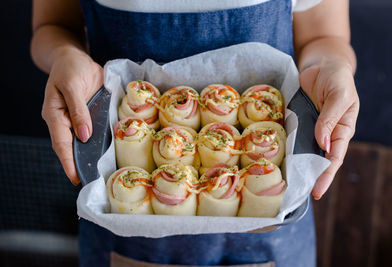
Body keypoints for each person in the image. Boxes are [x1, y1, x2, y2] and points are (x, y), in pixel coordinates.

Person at [31, 0, 359, 266]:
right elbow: (52, 27)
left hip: (271, 233)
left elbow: (324, 36)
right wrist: (65, 55)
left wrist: (333, 65)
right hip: (123, 234)